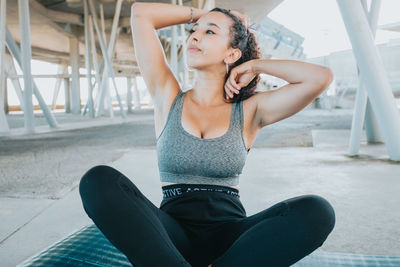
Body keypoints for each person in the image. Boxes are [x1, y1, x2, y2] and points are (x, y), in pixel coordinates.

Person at [79, 3, 336, 267]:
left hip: (230, 239)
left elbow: (320, 78)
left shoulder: (249, 110)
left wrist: (257, 65)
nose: (195, 35)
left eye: (210, 33)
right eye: (194, 30)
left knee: (317, 211)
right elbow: (141, 13)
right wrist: (208, 17)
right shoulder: (167, 96)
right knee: (98, 180)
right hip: (169, 236)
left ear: (231, 54)